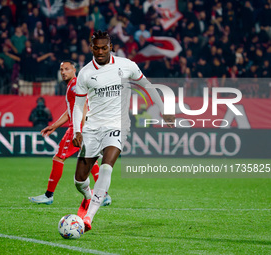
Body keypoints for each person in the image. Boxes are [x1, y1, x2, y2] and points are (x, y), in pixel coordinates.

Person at [72, 30, 175, 232]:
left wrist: (164, 110)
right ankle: (87, 196)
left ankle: (89, 218)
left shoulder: (126, 65)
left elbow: (148, 86)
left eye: (104, 47)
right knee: (79, 180)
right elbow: (78, 105)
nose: (100, 51)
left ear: (111, 46)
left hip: (118, 124)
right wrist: (78, 130)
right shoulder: (85, 73)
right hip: (92, 127)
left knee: (107, 165)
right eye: (96, 47)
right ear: (90, 47)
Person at [28, 60, 112, 206]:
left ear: (74, 70)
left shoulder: (74, 85)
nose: (63, 72)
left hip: (77, 128)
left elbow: (84, 105)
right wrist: (54, 126)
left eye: (67, 69)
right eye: (61, 69)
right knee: (91, 161)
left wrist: (82, 130)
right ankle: (104, 195)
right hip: (85, 127)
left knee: (59, 158)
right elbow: (70, 112)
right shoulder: (73, 86)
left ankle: (49, 195)